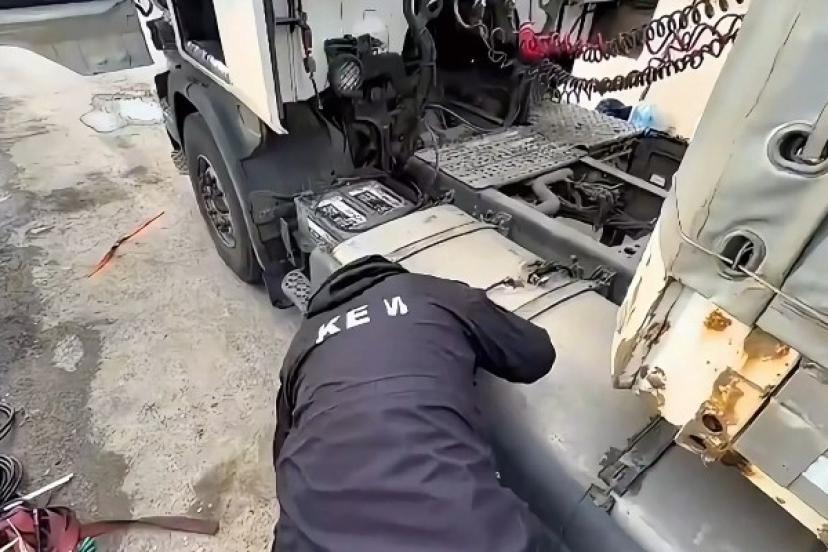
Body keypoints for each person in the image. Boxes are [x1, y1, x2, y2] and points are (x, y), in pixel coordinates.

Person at [273, 255, 557, 551]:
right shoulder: (433, 292)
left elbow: (282, 450)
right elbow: (536, 354)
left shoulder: (302, 342)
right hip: (463, 531)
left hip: (307, 536)